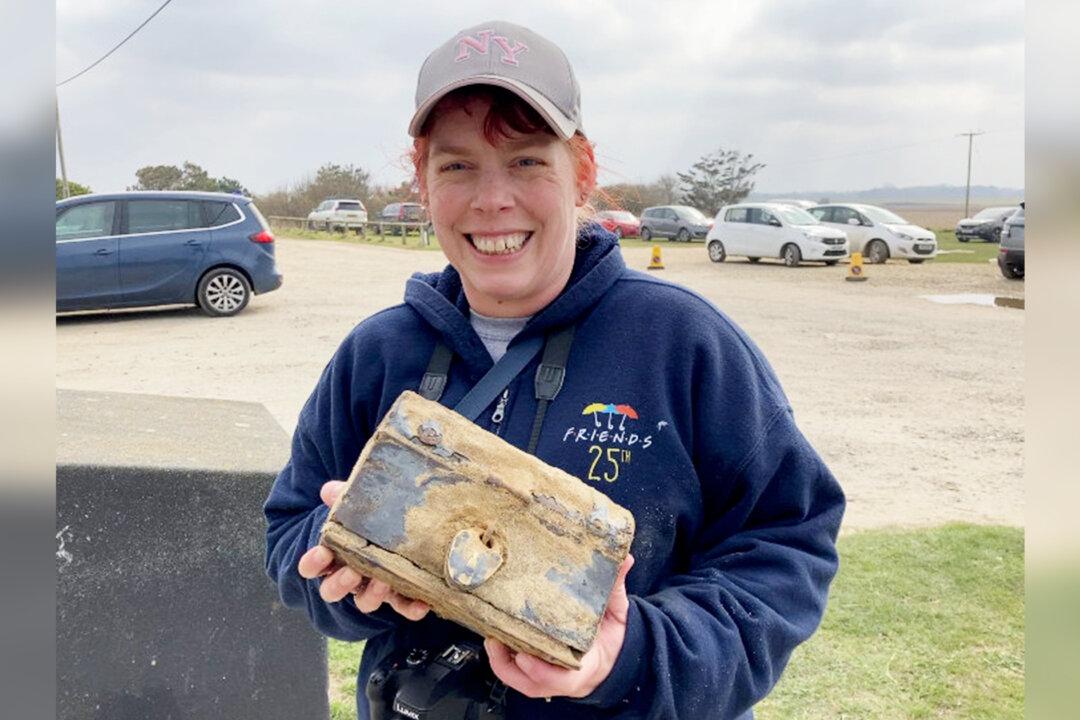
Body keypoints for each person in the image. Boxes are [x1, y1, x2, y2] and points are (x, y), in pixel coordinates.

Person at [264, 20, 845, 720]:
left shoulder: (685, 345)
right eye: (457, 166)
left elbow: (785, 546)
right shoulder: (378, 354)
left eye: (527, 161)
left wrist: (628, 655)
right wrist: (341, 576)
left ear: (583, 173)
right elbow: (291, 529)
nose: (491, 199)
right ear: (422, 182)